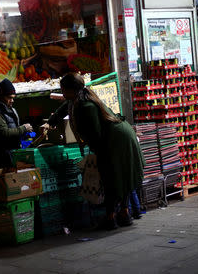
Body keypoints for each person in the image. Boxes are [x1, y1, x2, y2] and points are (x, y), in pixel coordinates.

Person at [41, 73, 145, 230]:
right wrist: (51, 122)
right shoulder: (79, 98)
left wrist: (94, 153)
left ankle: (111, 218)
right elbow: (65, 106)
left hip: (116, 140)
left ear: (70, 90)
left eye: (63, 89)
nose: (61, 92)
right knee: (122, 176)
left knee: (112, 178)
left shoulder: (85, 106)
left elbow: (96, 135)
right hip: (121, 136)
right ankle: (124, 214)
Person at [0, 78, 33, 168]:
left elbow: (13, 127)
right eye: (9, 98)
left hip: (10, 153)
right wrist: (23, 128)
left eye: (13, 98)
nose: (12, 100)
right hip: (0, 156)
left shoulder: (9, 108)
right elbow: (3, 133)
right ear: (1, 96)